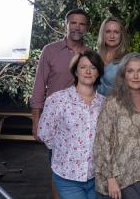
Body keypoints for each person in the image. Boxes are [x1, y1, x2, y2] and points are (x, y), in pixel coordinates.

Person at [30, 8, 90, 199]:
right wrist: (35, 122)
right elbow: (39, 86)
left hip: (84, 122)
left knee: (83, 171)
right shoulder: (51, 50)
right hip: (57, 122)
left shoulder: (90, 54)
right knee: (58, 170)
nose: (77, 27)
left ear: (87, 28)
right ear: (66, 24)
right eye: (73, 22)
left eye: (82, 24)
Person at [37, 50, 105, 199]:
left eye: (93, 67)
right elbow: (44, 133)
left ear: (98, 72)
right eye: (83, 67)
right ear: (75, 71)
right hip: (67, 176)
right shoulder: (57, 100)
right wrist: (64, 150)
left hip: (97, 176)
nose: (88, 71)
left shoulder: (105, 104)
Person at [93, 52, 140, 199]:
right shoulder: (113, 102)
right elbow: (102, 143)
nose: (135, 76)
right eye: (130, 71)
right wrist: (110, 179)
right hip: (120, 176)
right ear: (123, 75)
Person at [96, 16, 129, 96]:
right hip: (93, 105)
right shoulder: (94, 57)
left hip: (117, 105)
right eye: (108, 32)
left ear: (121, 35)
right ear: (102, 34)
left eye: (116, 32)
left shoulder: (127, 60)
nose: (112, 36)